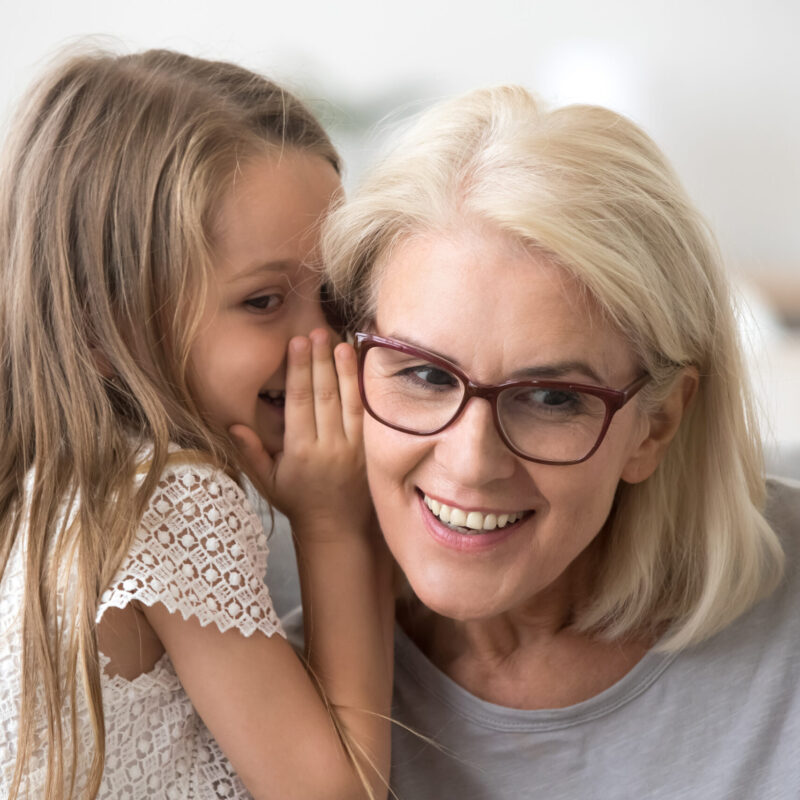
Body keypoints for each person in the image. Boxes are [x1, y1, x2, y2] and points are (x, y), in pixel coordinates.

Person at [315, 86, 800, 798]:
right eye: (422, 374)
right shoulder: (262, 670)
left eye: (551, 398)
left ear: (657, 424)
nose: (472, 461)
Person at [0, 49, 393, 800]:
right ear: (103, 328)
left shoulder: (55, 487)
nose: (326, 341)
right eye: (263, 302)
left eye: (336, 294)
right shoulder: (169, 496)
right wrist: (335, 524)